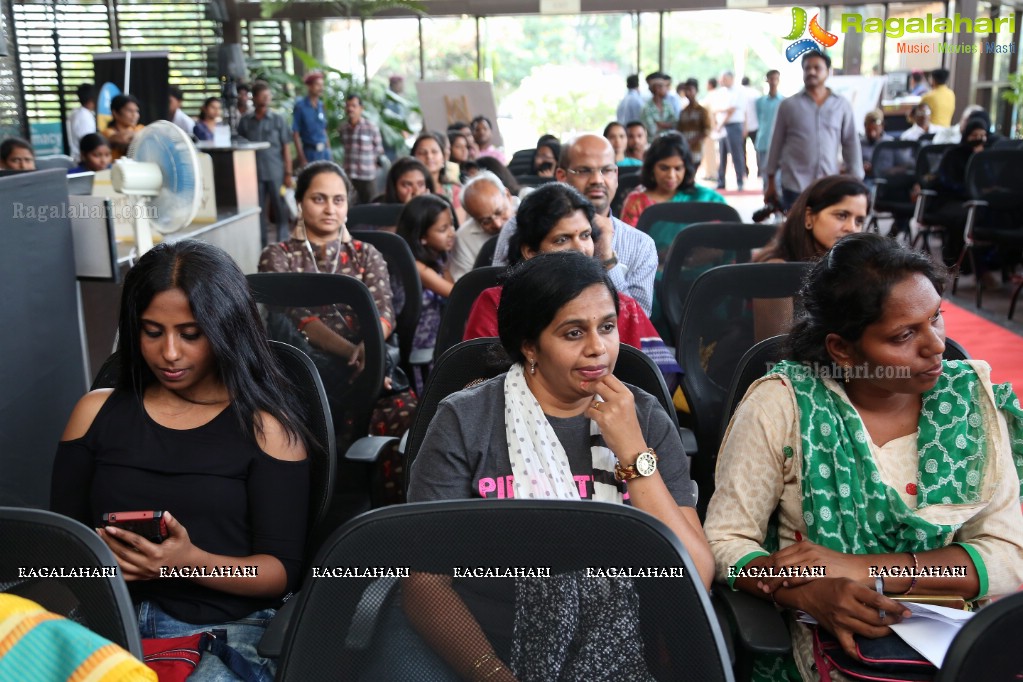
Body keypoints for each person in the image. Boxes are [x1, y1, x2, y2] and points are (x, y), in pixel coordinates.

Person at [705, 232, 1023, 681]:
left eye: (937, 318)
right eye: (904, 335)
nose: (935, 346)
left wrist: (860, 569)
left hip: (951, 645)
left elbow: (1007, 559)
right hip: (822, 649)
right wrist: (807, 594)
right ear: (842, 349)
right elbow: (725, 542)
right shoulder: (784, 405)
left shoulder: (967, 403)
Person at [393, 249, 714, 680]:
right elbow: (425, 584)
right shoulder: (466, 419)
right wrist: (493, 675)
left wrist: (633, 454)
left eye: (606, 327)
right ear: (530, 345)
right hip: (482, 650)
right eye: (573, 333)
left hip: (618, 648)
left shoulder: (645, 417)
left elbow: (696, 572)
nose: (598, 349)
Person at [52, 239, 311, 681]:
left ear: (226, 330)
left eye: (191, 334)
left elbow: (280, 572)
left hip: (224, 629)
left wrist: (184, 561)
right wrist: (96, 565)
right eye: (153, 331)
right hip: (108, 620)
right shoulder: (94, 413)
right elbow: (61, 545)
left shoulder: (267, 429)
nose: (169, 353)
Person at [257, 161, 417, 475]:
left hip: (370, 375)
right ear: (300, 203)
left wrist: (368, 352)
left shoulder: (366, 253)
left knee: (410, 422)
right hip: (304, 378)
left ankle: (396, 520)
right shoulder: (277, 255)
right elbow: (297, 317)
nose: (330, 208)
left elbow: (384, 312)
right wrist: (354, 353)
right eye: (319, 199)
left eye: (338, 200)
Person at [465, 182, 680, 385]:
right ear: (530, 251)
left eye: (585, 235)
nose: (580, 249)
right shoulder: (496, 304)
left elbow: (650, 383)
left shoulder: (621, 306)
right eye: (562, 239)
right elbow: (480, 386)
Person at [492, 134, 658, 316]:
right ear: (561, 176)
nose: (597, 179)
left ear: (616, 175)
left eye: (607, 170)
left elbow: (640, 327)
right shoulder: (520, 226)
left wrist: (608, 261)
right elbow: (499, 303)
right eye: (584, 170)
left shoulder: (641, 245)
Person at [753, 175, 869, 339]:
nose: (851, 228)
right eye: (841, 215)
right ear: (808, 217)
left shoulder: (851, 267)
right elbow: (774, 354)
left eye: (859, 221)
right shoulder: (777, 269)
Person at [764, 51, 862, 211]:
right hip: (795, 185)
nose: (811, 72)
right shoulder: (788, 105)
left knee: (826, 232)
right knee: (796, 233)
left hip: (829, 185)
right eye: (807, 68)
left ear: (828, 72)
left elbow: (851, 143)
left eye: (817, 68)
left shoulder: (841, 105)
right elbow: (776, 143)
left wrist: (856, 180)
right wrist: (770, 182)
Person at [620, 131, 727, 231]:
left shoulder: (708, 199)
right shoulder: (637, 203)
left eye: (678, 168)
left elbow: (722, 238)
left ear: (686, 168)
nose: (671, 175)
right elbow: (628, 245)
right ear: (651, 168)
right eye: (664, 168)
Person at [396, 194, 457, 359]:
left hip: (438, 335)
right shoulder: (416, 266)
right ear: (421, 237)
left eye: (452, 225)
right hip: (420, 343)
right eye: (443, 229)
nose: (452, 233)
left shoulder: (438, 256)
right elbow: (454, 292)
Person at [237, 81, 293, 246]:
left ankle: (283, 244)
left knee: (280, 209)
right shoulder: (245, 121)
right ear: (254, 98)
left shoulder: (278, 120)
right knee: (258, 210)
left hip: (276, 172)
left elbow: (286, 148)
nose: (267, 99)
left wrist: (288, 173)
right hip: (253, 174)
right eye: (263, 96)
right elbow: (241, 148)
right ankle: (260, 245)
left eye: (268, 96)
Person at [450, 170, 515, 280]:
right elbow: (465, 284)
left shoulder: (532, 211)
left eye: (499, 212)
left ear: (508, 196)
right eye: (486, 221)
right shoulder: (464, 237)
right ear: (472, 217)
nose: (498, 224)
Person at [340, 94, 384, 205]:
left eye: (354, 106)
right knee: (349, 206)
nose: (350, 109)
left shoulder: (371, 127)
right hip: (350, 175)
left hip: (367, 176)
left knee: (371, 206)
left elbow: (379, 149)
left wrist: (373, 163)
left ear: (361, 108)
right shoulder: (343, 129)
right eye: (348, 106)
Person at [412, 131, 463, 212]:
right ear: (413, 158)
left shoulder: (454, 192)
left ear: (443, 158)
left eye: (434, 152)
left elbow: (458, 223)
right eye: (422, 153)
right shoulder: (409, 191)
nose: (429, 156)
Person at [714, 71, 747, 191]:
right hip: (722, 127)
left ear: (731, 78)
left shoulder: (739, 91)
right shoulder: (721, 92)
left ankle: (740, 181)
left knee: (736, 154)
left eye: (724, 79)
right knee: (722, 155)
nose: (722, 81)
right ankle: (721, 181)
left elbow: (731, 110)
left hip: (733, 125)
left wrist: (720, 122)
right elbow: (716, 109)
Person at [292, 70, 330, 167]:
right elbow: (295, 134)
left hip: (324, 153)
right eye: (317, 85)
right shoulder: (300, 107)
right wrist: (302, 158)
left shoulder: (321, 106)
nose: (321, 88)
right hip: (309, 153)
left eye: (322, 85)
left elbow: (324, 130)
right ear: (309, 86)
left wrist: (329, 151)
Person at [754, 70, 783, 192]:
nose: (773, 81)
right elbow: (759, 119)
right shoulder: (760, 102)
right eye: (771, 79)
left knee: (779, 176)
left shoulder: (783, 101)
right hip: (764, 141)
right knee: (765, 174)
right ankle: (767, 200)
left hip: (779, 142)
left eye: (775, 78)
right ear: (767, 80)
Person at [676, 78, 712, 172]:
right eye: (686, 90)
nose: (688, 93)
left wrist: (692, 141)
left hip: (696, 147)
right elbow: (679, 129)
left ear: (696, 91)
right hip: (684, 147)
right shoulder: (683, 112)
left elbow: (707, 130)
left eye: (690, 90)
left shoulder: (702, 111)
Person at [103, 94, 145, 161]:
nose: (134, 115)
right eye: (129, 111)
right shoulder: (107, 132)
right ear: (115, 113)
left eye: (136, 111)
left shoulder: (140, 128)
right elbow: (122, 139)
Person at [641, 71, 678, 139]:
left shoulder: (667, 105)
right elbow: (652, 129)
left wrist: (659, 124)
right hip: (654, 144)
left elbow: (675, 123)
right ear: (657, 88)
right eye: (665, 87)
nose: (667, 89)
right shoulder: (647, 108)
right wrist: (667, 125)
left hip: (668, 143)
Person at [67, 82, 97, 163]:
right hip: (83, 161)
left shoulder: (76, 113)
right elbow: (88, 142)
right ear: (92, 99)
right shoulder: (84, 116)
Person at [860, 109, 892, 179]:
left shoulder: (891, 144)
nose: (872, 135)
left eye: (875, 130)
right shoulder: (859, 145)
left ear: (882, 126)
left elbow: (905, 165)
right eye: (869, 130)